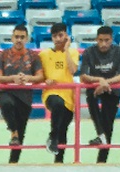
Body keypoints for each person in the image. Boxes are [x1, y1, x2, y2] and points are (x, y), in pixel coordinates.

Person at [0, 24, 43, 164]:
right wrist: (13, 79)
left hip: (25, 98)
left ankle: (13, 163)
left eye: (22, 37)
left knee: (21, 136)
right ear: (12, 38)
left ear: (27, 39)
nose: (19, 40)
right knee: (6, 104)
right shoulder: (3, 55)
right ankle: (13, 132)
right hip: (6, 92)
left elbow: (40, 77)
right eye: (16, 37)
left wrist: (28, 78)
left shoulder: (34, 56)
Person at [77, 25, 120, 162]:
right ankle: (100, 135)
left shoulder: (118, 51)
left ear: (111, 39)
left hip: (112, 90)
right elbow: (83, 76)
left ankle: (101, 161)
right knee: (90, 97)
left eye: (107, 40)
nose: (103, 44)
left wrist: (105, 83)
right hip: (95, 89)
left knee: (108, 124)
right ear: (96, 39)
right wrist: (99, 80)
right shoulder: (89, 52)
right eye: (100, 40)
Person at [38, 24, 77, 164]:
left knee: (63, 130)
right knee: (57, 103)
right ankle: (52, 136)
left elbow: (73, 70)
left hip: (68, 96)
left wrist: (66, 50)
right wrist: (45, 80)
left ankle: (58, 161)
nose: (58, 39)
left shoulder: (72, 52)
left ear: (66, 36)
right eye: (55, 36)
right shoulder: (43, 55)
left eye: (61, 35)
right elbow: (39, 75)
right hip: (51, 93)